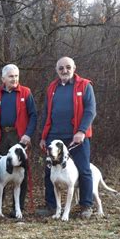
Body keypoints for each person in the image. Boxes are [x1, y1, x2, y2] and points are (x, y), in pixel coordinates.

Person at [37, 56, 97, 218]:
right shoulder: (52, 88)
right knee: (50, 170)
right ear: (57, 70)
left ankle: (86, 206)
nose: (65, 70)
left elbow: (90, 110)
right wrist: (44, 136)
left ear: (74, 68)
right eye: (61, 68)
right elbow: (46, 113)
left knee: (84, 170)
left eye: (68, 67)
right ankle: (51, 206)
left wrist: (81, 131)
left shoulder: (85, 86)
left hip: (76, 137)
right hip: (54, 136)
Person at [0, 64, 37, 217]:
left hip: (19, 137)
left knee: (21, 171)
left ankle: (17, 208)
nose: (14, 79)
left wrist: (28, 135)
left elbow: (33, 115)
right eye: (10, 76)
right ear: (3, 79)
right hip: (2, 136)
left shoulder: (26, 93)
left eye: (16, 76)